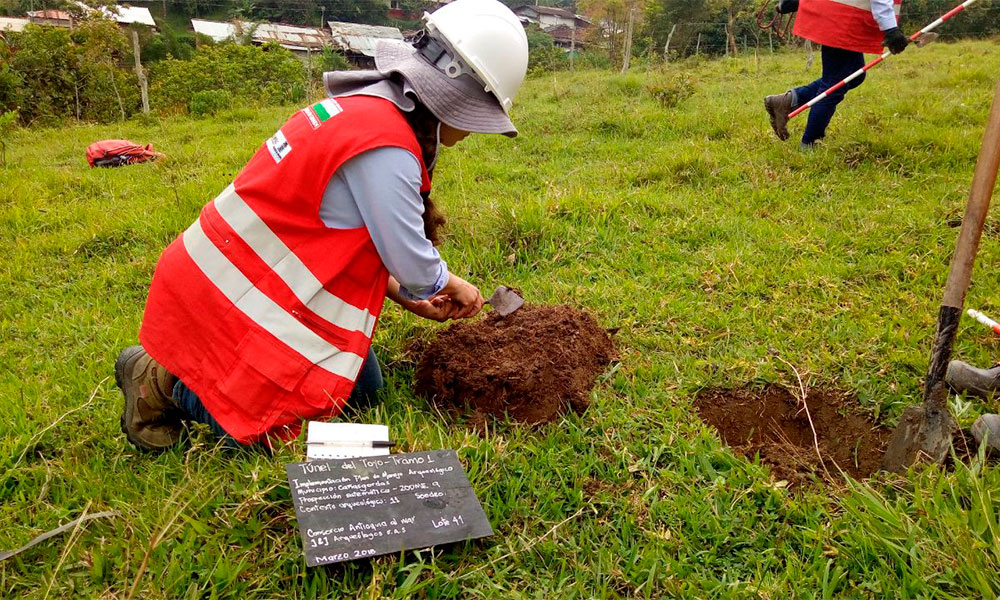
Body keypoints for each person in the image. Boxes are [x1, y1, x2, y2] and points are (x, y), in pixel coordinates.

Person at [113, 0, 529, 451]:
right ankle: (160, 383)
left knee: (362, 391)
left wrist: (411, 297)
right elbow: (413, 263)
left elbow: (352, 238)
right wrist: (450, 284)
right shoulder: (386, 146)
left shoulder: (363, 111)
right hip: (236, 295)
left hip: (237, 279)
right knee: (282, 438)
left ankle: (203, 374)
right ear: (457, 94)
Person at [764, 0, 909, 149]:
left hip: (839, 16)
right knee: (834, 85)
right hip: (843, 20)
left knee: (855, 75)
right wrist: (891, 29)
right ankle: (810, 143)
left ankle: (788, 100)